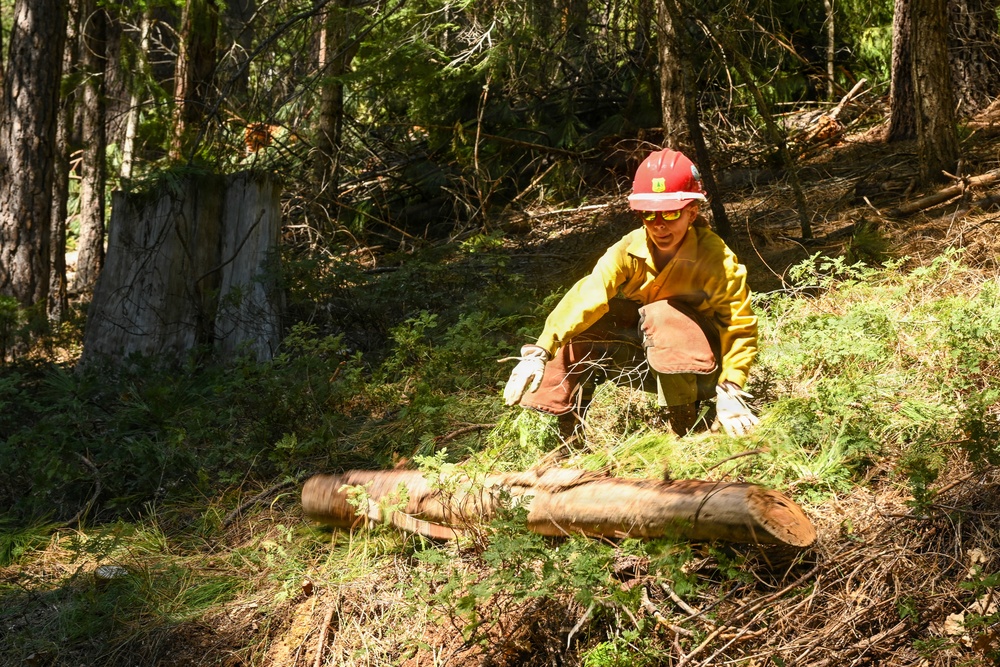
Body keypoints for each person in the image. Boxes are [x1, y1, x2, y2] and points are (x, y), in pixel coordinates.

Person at [503, 148, 759, 439]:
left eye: (670, 213)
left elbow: (739, 326)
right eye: (649, 214)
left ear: (692, 212)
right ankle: (569, 437)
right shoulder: (629, 248)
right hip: (654, 357)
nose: (659, 225)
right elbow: (589, 293)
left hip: (706, 370)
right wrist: (540, 351)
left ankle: (686, 424)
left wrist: (730, 387)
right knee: (585, 324)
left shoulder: (715, 258)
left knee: (662, 312)